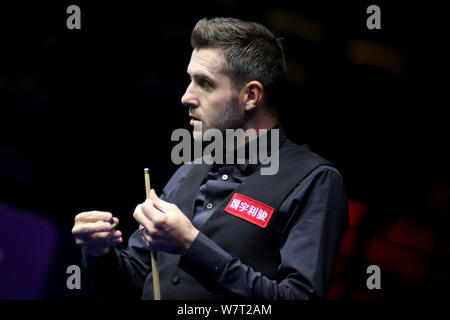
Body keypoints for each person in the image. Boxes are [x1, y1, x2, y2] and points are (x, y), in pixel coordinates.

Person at [72, 17, 348, 300]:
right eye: (190, 80)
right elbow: (139, 277)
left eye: (205, 83)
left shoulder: (315, 180)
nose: (186, 97)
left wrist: (193, 246)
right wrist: (100, 253)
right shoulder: (190, 169)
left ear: (251, 96)